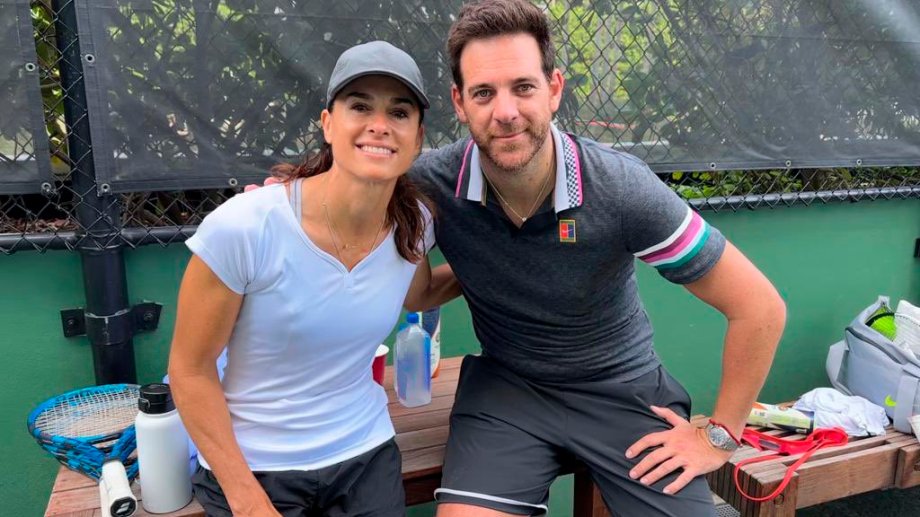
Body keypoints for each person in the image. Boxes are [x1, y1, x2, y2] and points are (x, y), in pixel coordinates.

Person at [406, 1, 787, 516]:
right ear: (459, 102)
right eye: (484, 92)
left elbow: (760, 308)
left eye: (523, 87)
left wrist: (719, 436)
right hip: (507, 390)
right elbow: (388, 255)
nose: (505, 111)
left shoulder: (621, 188)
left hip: (621, 391)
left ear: (554, 89)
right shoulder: (430, 184)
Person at [167, 41, 459, 517]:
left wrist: (500, 263)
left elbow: (420, 293)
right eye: (360, 106)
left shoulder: (414, 223)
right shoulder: (245, 227)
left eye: (399, 112)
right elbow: (190, 371)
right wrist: (249, 503)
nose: (379, 125)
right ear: (328, 124)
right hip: (258, 467)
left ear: (417, 137)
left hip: (364, 454)